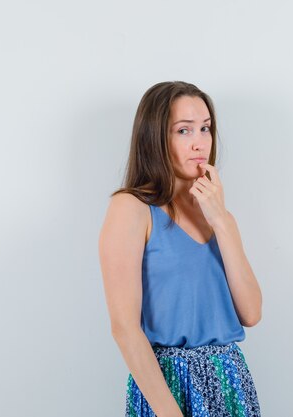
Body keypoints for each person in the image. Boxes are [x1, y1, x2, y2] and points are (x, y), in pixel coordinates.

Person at [98, 81, 263, 417]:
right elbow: (125, 329)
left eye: (205, 128)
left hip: (230, 381)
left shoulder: (218, 214)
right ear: (156, 138)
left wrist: (222, 221)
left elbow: (251, 313)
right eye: (184, 131)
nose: (199, 143)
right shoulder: (131, 208)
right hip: (167, 385)